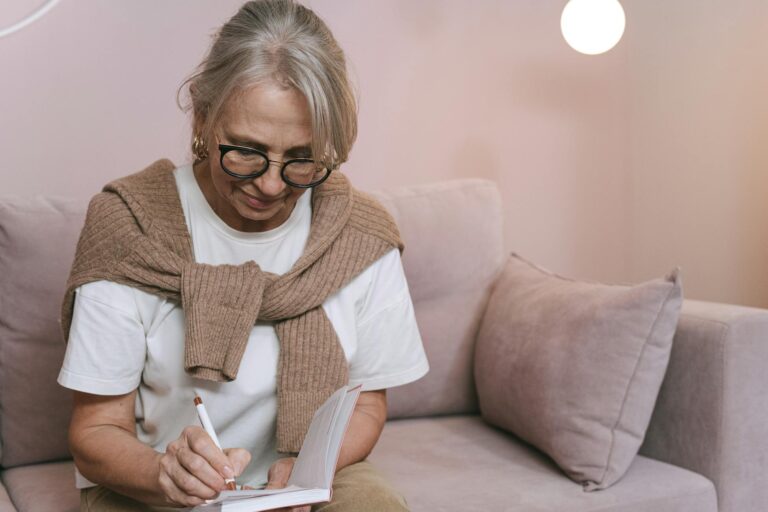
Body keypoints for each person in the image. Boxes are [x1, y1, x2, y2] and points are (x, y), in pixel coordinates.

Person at [57, 1, 429, 511]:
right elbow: (97, 429)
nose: (272, 185)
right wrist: (166, 471)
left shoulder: (359, 237)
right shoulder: (130, 228)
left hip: (302, 475)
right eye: (246, 152)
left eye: (302, 160)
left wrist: (309, 468)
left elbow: (366, 402)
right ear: (204, 117)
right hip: (150, 481)